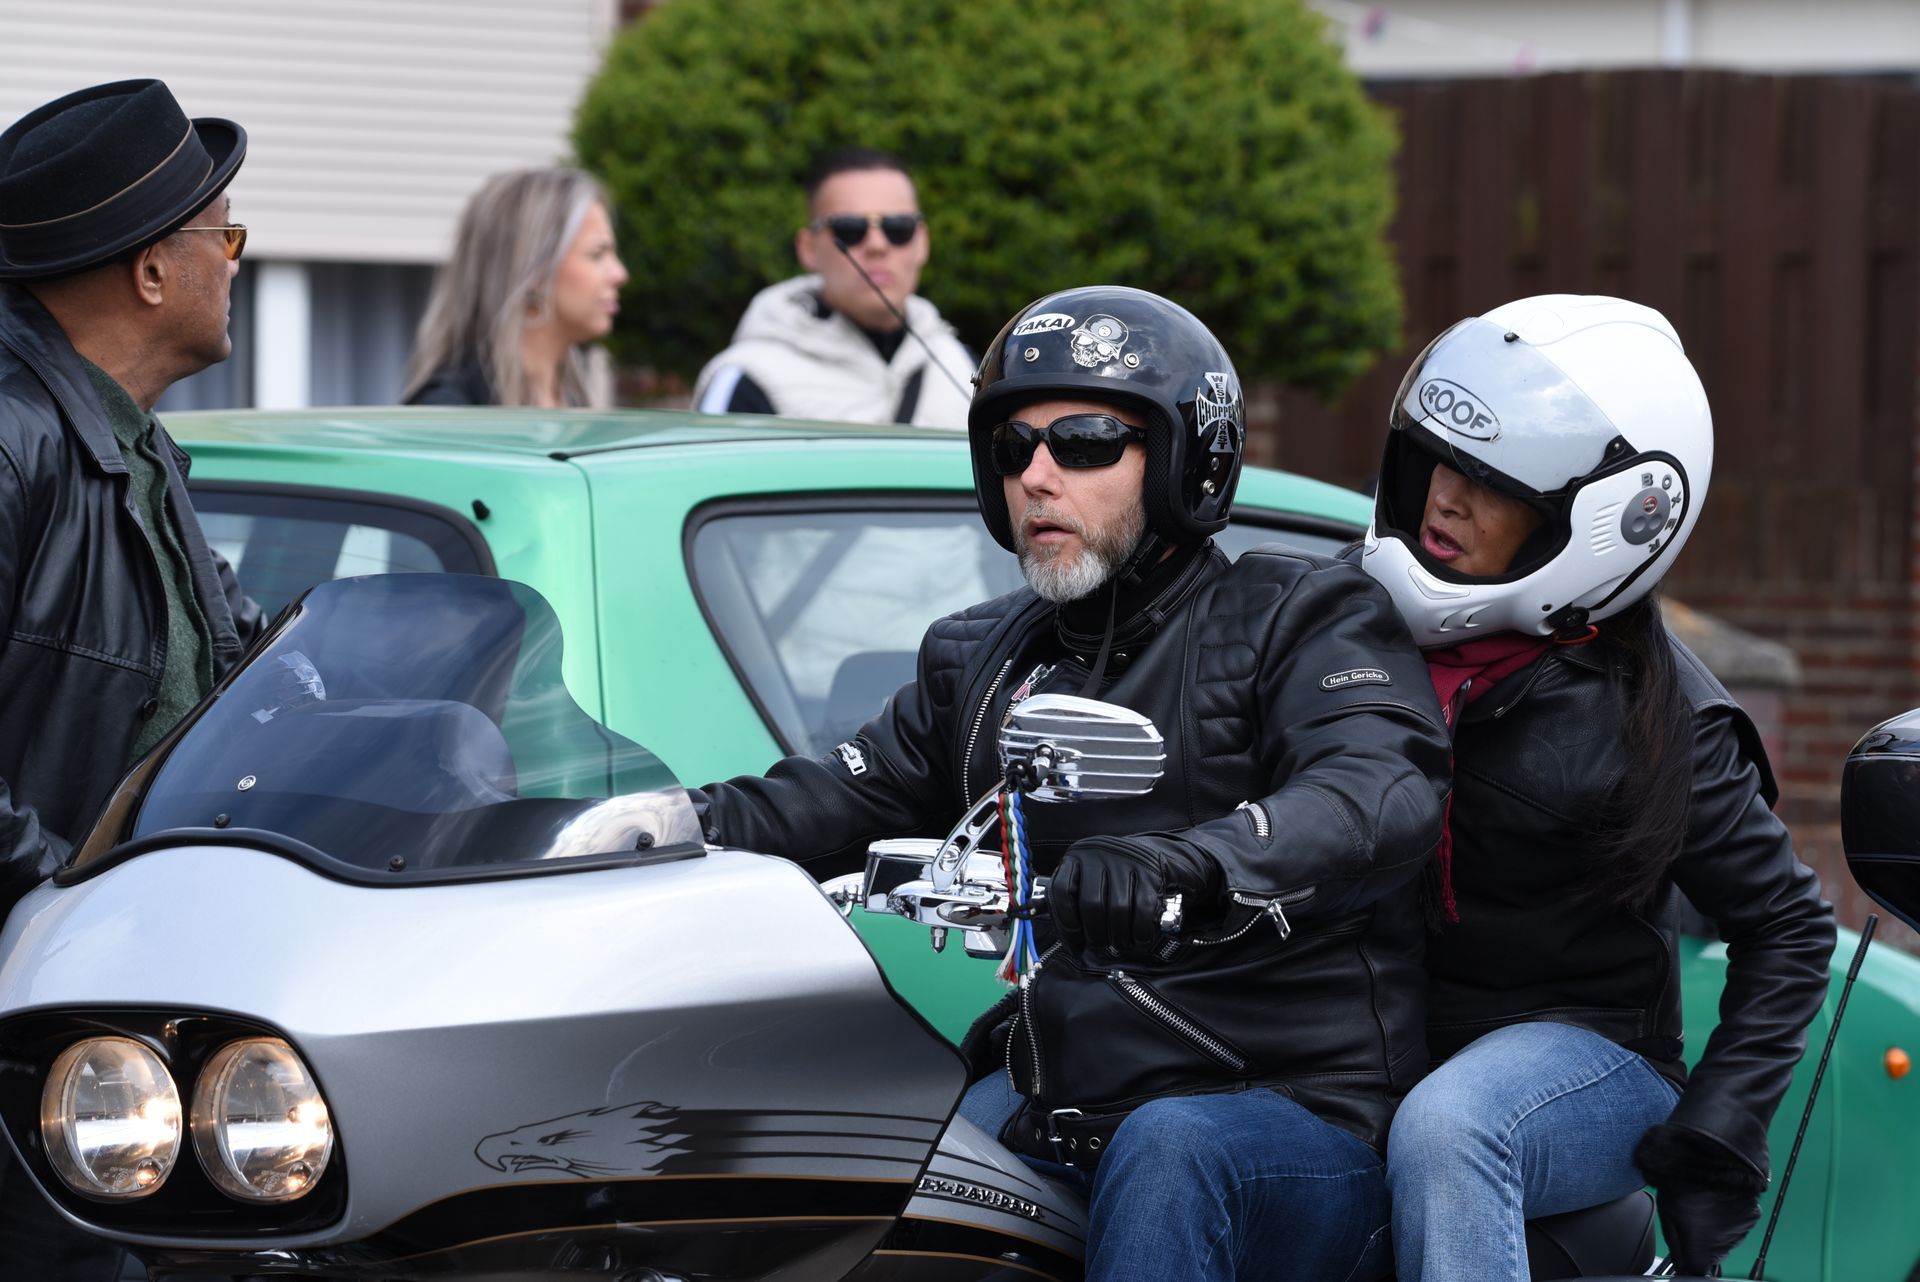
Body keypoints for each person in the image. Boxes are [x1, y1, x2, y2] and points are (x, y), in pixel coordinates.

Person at [696, 285, 1452, 1281]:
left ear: (1188, 458)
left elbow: (1376, 788)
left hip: (1290, 1109)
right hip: (1058, 1092)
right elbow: (835, 796)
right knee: (871, 1185)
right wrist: (651, 826)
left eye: (1087, 441)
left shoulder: (1300, 618)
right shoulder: (981, 657)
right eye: (1012, 448)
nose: (1038, 474)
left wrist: (1194, 862)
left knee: (1171, 1148)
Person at [1357, 294, 1837, 1281]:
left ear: (1600, 521)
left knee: (1451, 1130)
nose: (1443, 498)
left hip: (1587, 1053)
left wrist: (1722, 1122)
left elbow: (1788, 926)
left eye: (1492, 483)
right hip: (1380, 1031)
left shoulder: (1656, 717)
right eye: (1435, 461)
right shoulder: (1348, 635)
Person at [0, 77, 264, 1278]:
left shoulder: (135, 443)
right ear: (152, 273)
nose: (237, 263)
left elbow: (244, 667)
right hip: (37, 1025)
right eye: (229, 235)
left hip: (110, 1037)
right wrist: (55, 901)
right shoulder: (15, 439)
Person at [692, 147, 972, 427]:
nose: (877, 245)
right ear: (808, 248)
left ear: (923, 242)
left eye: (898, 227)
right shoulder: (746, 380)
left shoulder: (965, 365)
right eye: (850, 229)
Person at [404, 167, 629, 407]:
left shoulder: (571, 402)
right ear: (535, 270)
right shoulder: (448, 412)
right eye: (597, 254)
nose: (620, 275)